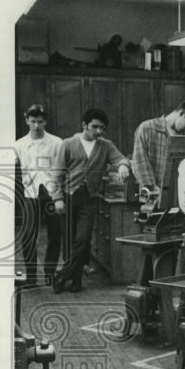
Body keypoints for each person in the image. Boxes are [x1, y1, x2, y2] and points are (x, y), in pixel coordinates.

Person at [49, 108, 131, 293]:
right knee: (69, 241)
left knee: (83, 240)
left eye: (102, 128)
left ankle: (62, 275)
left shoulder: (106, 145)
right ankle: (75, 281)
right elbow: (57, 174)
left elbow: (121, 159)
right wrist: (57, 198)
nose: (99, 131)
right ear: (84, 125)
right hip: (68, 197)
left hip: (89, 199)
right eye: (95, 127)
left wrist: (123, 166)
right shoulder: (68, 144)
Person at [14, 104, 64, 284]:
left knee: (54, 234)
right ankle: (31, 276)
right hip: (30, 193)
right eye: (33, 121)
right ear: (26, 120)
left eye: (40, 122)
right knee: (28, 235)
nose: (36, 125)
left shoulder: (57, 142)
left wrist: (58, 195)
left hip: (51, 194)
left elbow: (62, 168)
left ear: (46, 122)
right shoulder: (19, 144)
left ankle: (50, 274)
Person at [132, 99, 185, 194]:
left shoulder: (184, 136)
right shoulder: (147, 128)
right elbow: (140, 162)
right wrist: (152, 188)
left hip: (176, 196)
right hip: (151, 195)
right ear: (181, 113)